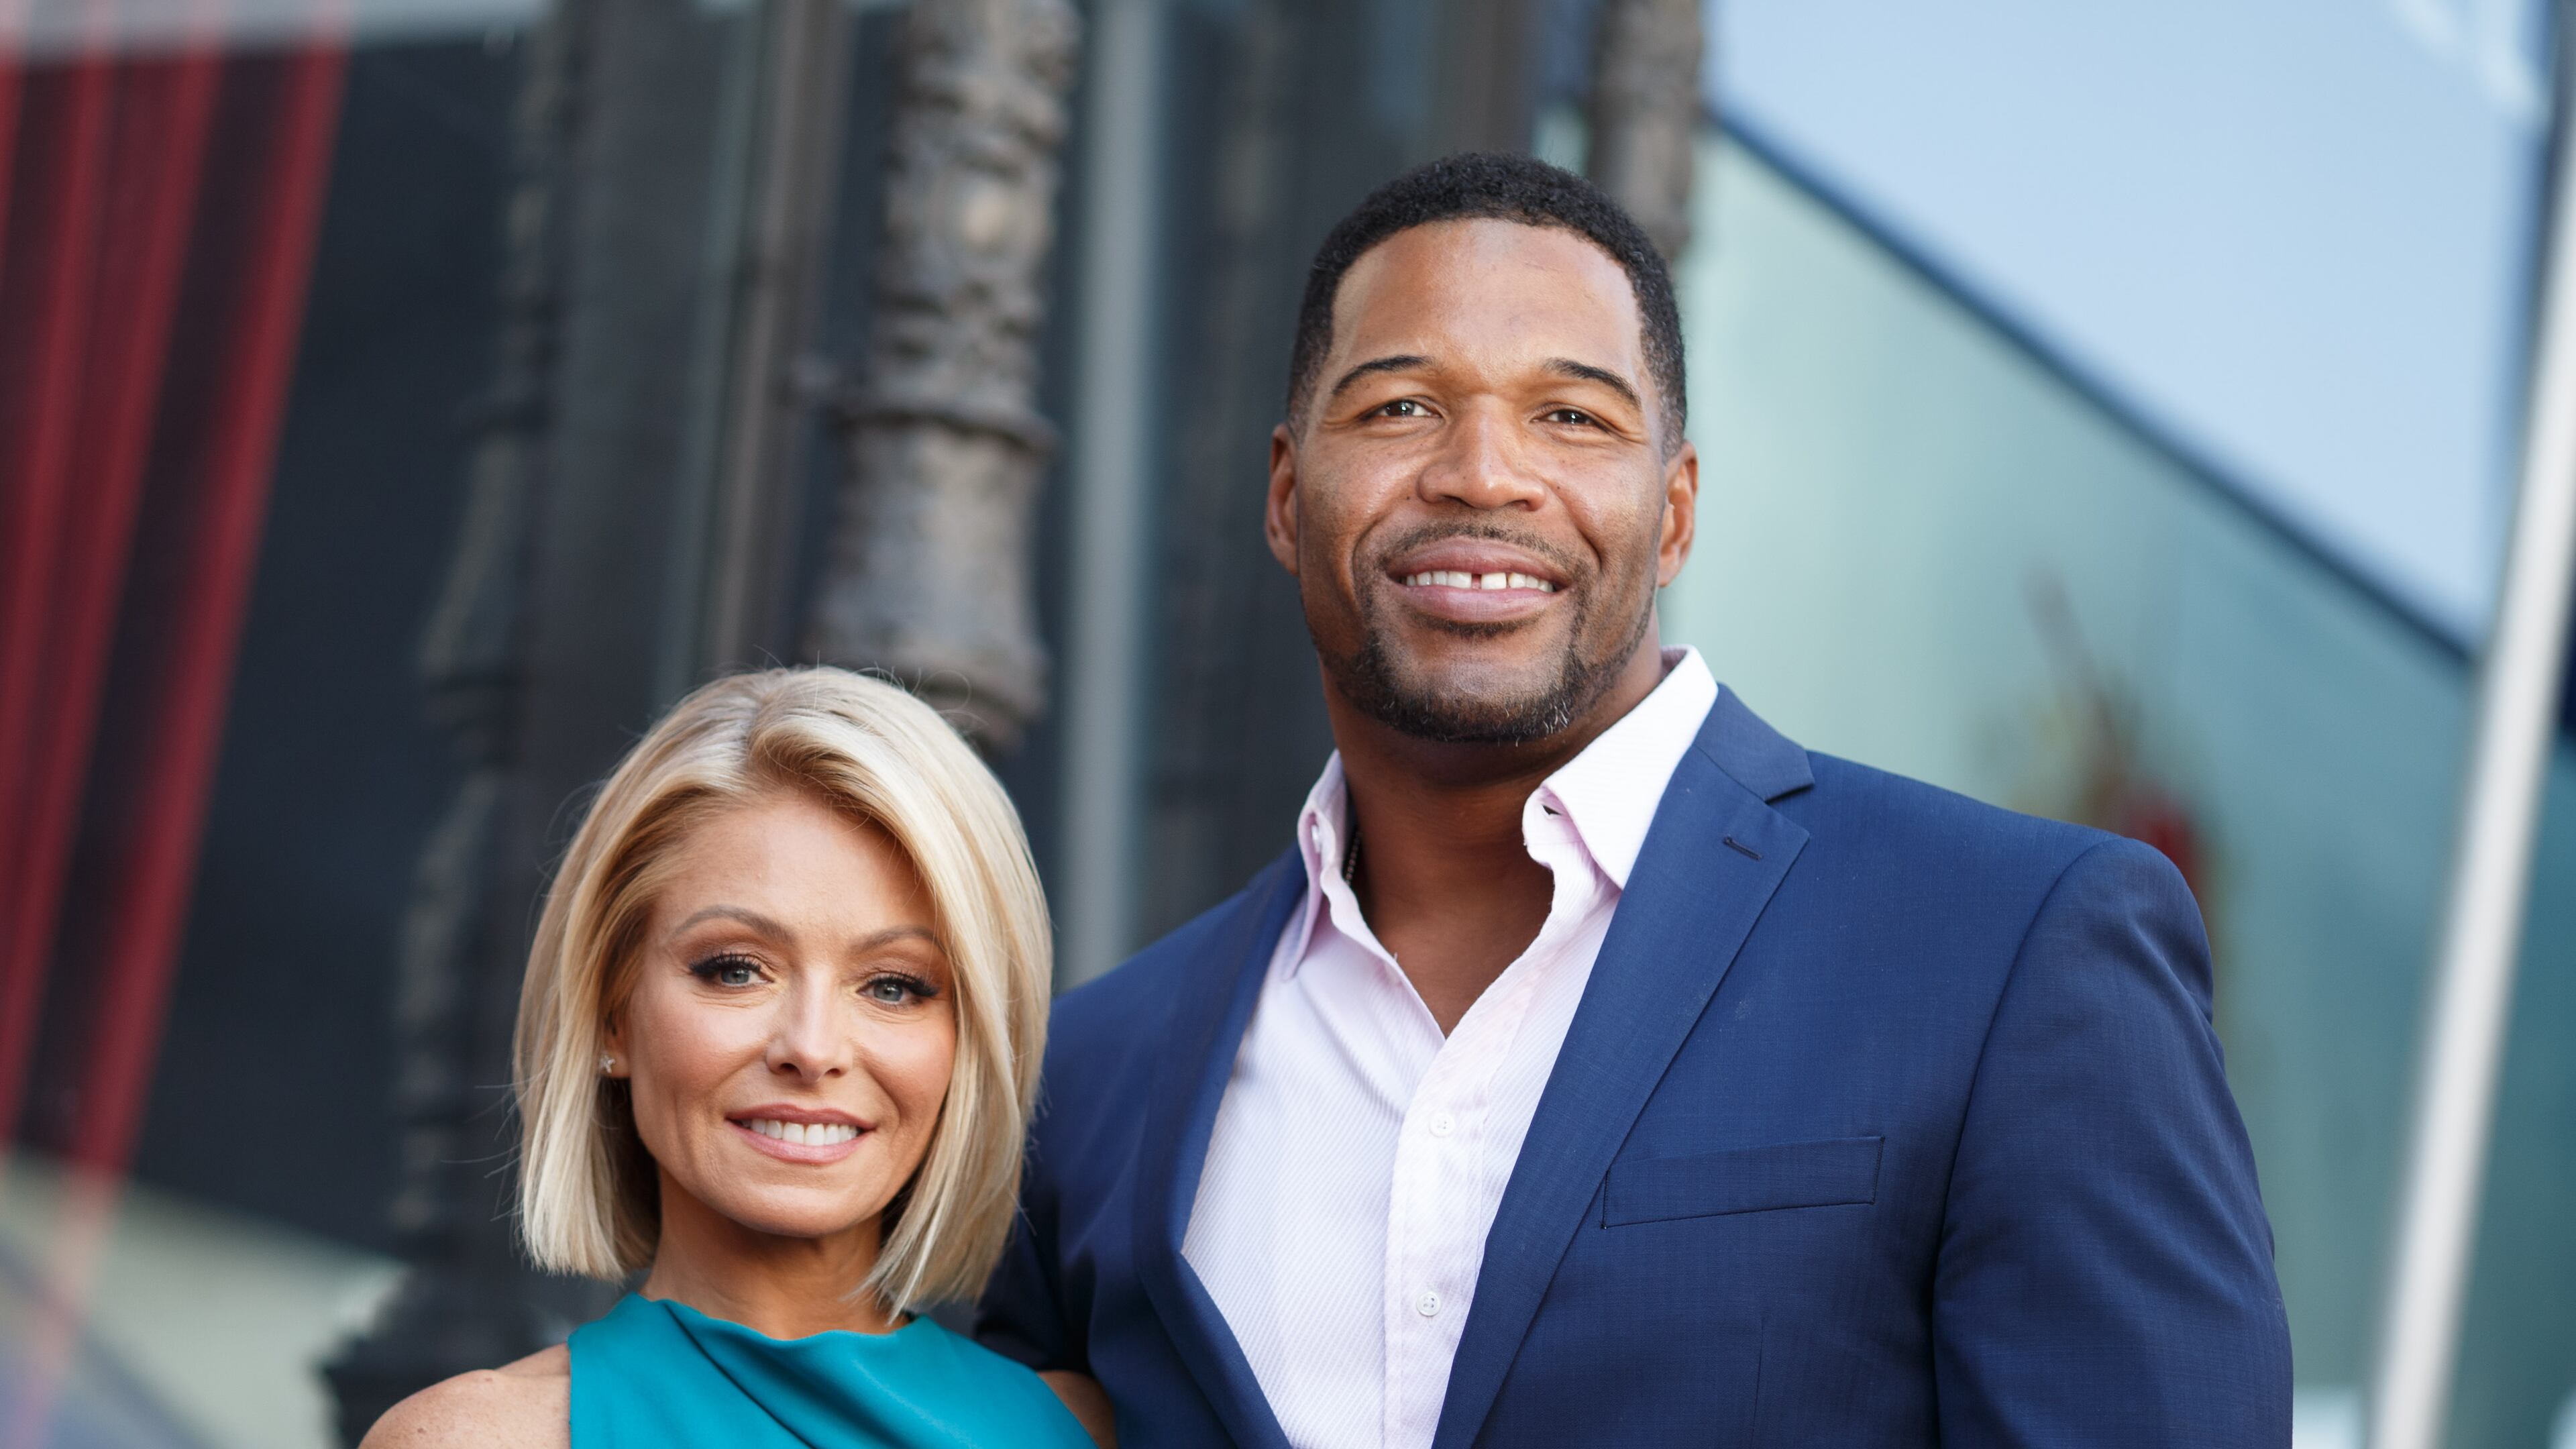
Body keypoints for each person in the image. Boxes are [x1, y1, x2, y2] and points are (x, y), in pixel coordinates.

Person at [975, 153, 2290, 1447]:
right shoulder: (1098, 1080)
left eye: (1572, 416)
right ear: (1283, 495)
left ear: (1673, 514)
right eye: (1398, 410)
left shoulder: (2014, 948)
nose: (1483, 474)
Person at [366, 668, 1112, 1448]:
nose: (812, 1048)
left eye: (893, 986)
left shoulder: (1076, 1431)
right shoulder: (476, 1439)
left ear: (970, 1043)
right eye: (735, 969)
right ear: (612, 1017)